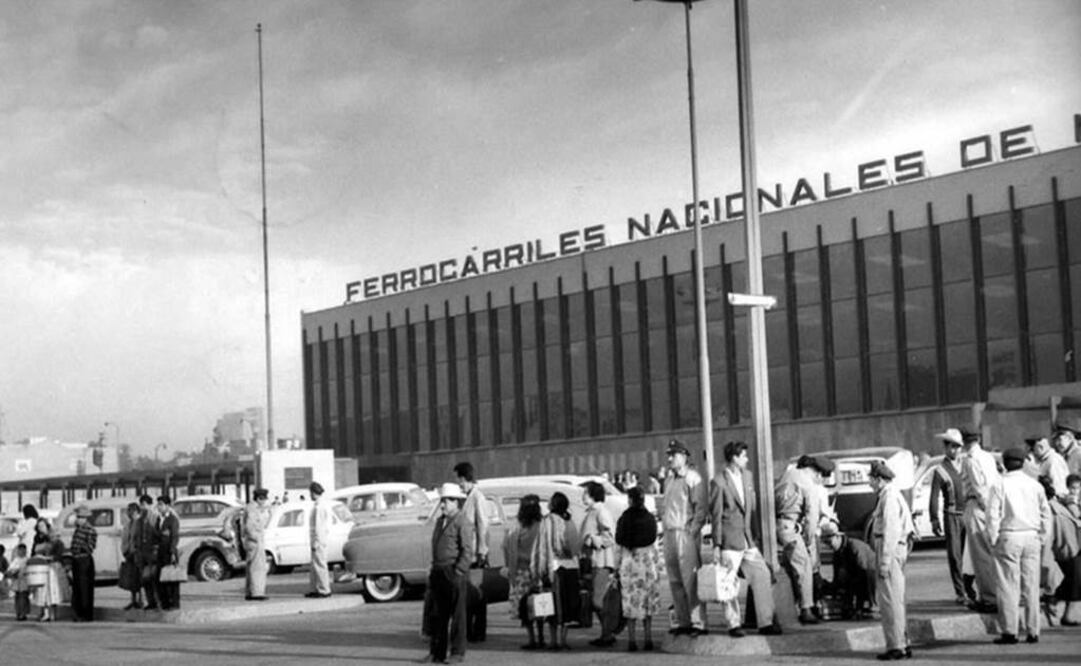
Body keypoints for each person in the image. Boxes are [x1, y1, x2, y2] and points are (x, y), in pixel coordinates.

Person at [708, 440, 782, 637]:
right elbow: (715, 515)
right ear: (734, 458)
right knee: (728, 582)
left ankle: (765, 622)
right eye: (744, 456)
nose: (747, 459)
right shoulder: (718, 482)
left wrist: (755, 535)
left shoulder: (748, 477)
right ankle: (733, 624)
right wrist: (716, 544)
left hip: (748, 538)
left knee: (762, 575)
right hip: (729, 539)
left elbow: (753, 507)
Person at [988, 446, 1051, 645]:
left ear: (1004, 464)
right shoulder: (1035, 485)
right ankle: (1033, 630)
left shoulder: (999, 484)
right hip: (1031, 536)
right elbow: (1045, 514)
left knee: (1008, 585)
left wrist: (992, 539)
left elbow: (993, 515)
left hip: (1009, 535)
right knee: (1031, 586)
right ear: (1023, 463)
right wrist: (1042, 537)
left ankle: (1010, 631)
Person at [776, 454, 834, 624]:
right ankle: (806, 609)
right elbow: (811, 517)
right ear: (817, 474)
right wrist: (808, 541)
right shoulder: (809, 485)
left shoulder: (789, 474)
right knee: (805, 566)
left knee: (789, 567)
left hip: (780, 525)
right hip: (791, 528)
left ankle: (790, 606)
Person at [421, 482, 474, 665]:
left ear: (456, 502)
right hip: (438, 570)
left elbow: (468, 550)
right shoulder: (439, 521)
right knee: (437, 614)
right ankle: (437, 653)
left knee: (458, 615)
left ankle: (457, 652)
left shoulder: (462, 521)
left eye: (448, 500)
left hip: (453, 570)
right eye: (443, 500)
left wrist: (459, 570)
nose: (443, 504)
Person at [660, 438, 708, 636]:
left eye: (674, 455)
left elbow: (700, 509)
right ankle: (683, 620)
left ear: (684, 456)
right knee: (675, 580)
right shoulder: (670, 480)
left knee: (691, 579)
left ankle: (698, 622)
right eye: (669, 455)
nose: (670, 458)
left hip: (684, 532)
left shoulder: (693, 479)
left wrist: (693, 532)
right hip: (670, 532)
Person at [869, 461, 915, 661]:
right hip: (895, 549)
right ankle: (902, 643)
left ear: (879, 479)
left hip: (889, 549)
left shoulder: (888, 497)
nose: (870, 483)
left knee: (889, 601)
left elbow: (891, 531)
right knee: (895, 599)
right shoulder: (892, 494)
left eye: (871, 479)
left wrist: (885, 561)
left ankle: (896, 646)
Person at [531, 491, 580, 651]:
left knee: (551, 606)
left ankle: (552, 641)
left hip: (553, 568)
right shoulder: (569, 522)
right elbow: (574, 546)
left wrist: (538, 570)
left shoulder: (546, 522)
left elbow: (541, 548)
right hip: (570, 567)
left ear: (553, 504)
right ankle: (562, 640)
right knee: (567, 606)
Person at [960, 426, 1001, 612]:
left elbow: (978, 487)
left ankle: (989, 598)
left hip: (978, 505)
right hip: (991, 505)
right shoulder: (987, 456)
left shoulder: (970, 459)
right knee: (991, 553)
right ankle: (996, 594)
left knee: (981, 555)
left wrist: (985, 507)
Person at [931, 428, 973, 605]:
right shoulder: (940, 470)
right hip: (952, 515)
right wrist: (934, 519)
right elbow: (934, 496)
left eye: (958, 447)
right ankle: (960, 591)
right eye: (952, 447)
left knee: (970, 555)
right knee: (955, 555)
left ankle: (970, 588)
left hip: (968, 513)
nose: (955, 450)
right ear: (946, 448)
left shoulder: (967, 465)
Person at [616, 486, 661, 652]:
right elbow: (654, 541)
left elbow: (619, 542)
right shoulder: (650, 518)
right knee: (648, 603)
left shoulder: (624, 519)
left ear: (630, 500)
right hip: (647, 561)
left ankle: (632, 640)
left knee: (630, 603)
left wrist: (616, 568)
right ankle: (648, 638)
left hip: (630, 562)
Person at [502, 494, 544, 649]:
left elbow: (507, 547)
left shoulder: (517, 527)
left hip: (521, 572)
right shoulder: (542, 525)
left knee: (525, 608)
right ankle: (541, 637)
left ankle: (532, 638)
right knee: (540, 605)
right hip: (538, 570)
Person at [581, 480, 620, 647]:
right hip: (593, 561)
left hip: (602, 561)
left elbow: (609, 537)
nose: (582, 496)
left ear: (592, 495)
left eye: (585, 493)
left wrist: (592, 540)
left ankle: (608, 632)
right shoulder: (592, 512)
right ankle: (606, 632)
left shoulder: (601, 512)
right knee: (595, 599)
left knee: (598, 600)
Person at [455, 461, 490, 642]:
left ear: (464, 478)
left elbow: (483, 524)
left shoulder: (477, 497)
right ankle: (469, 629)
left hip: (476, 552)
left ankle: (478, 630)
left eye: (459, 479)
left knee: (476, 593)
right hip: (469, 551)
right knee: (469, 593)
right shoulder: (468, 497)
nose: (458, 484)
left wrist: (483, 550)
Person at [821, 521, 876, 619]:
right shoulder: (837, 553)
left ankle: (870, 605)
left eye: (829, 542)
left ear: (838, 536)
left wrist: (858, 607)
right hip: (857, 576)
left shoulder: (854, 547)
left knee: (863, 576)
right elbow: (837, 579)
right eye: (826, 543)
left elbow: (862, 574)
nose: (829, 546)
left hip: (872, 577)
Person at [1055, 474, 1081, 625]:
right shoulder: (1070, 501)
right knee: (1075, 578)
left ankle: (1063, 609)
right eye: (1073, 488)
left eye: (1078, 488)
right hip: (1073, 544)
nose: (1075, 491)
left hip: (1074, 543)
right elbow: (1076, 514)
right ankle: (1056, 599)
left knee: (1075, 579)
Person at [30, 518, 67, 622]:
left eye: (42, 526)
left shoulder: (55, 541)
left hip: (52, 568)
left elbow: (59, 554)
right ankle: (45, 612)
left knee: (52, 591)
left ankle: (52, 613)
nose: (41, 528)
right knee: (42, 592)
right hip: (42, 567)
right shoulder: (38, 539)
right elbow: (33, 552)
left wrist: (49, 558)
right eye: (39, 526)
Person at [244, 488, 273, 601]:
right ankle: (257, 593)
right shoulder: (253, 509)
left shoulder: (252, 508)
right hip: (255, 541)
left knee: (252, 567)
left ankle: (250, 592)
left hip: (253, 540)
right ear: (259, 498)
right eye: (264, 499)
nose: (265, 502)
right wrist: (256, 539)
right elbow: (249, 526)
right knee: (258, 568)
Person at [69, 505, 97, 622]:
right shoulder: (78, 529)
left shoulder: (90, 530)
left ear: (85, 518)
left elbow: (90, 547)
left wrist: (80, 547)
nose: (78, 519)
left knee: (85, 588)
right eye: (78, 517)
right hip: (76, 560)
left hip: (84, 561)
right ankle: (78, 612)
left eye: (80, 517)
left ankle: (86, 614)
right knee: (77, 588)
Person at [306, 481, 333, 598]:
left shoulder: (319, 507)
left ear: (313, 492)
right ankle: (316, 588)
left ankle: (324, 589)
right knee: (314, 565)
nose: (309, 495)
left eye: (310, 492)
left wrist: (316, 541)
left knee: (320, 565)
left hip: (318, 539)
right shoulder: (319, 505)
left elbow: (319, 527)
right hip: (319, 538)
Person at [134, 494, 161, 610]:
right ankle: (151, 602)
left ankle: (158, 601)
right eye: (141, 504)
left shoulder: (156, 518)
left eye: (144, 504)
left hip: (153, 552)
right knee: (144, 580)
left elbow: (159, 535)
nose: (142, 507)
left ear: (150, 505)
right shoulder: (139, 520)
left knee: (154, 578)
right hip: (142, 553)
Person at [156, 495, 181, 610]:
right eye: (158, 504)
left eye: (161, 504)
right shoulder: (158, 519)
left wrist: (172, 552)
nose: (159, 507)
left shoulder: (172, 519)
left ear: (167, 506)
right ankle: (164, 602)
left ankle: (174, 603)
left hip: (169, 552)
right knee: (161, 578)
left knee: (172, 578)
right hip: (160, 552)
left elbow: (175, 537)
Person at [120, 502, 143, 610]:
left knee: (140, 578)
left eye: (130, 510)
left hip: (138, 554)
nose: (128, 513)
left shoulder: (140, 523)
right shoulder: (128, 524)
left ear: (135, 511)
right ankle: (133, 600)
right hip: (129, 554)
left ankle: (141, 600)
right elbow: (126, 539)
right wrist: (125, 551)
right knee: (131, 578)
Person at [7, 543, 31, 621]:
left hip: (24, 581)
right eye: (20, 550)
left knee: (23, 598)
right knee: (17, 598)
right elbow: (10, 569)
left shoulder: (27, 560)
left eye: (23, 550)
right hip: (17, 581)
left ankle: (23, 614)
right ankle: (18, 613)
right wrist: (13, 572)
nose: (21, 552)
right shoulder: (15, 560)